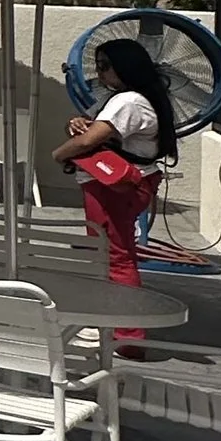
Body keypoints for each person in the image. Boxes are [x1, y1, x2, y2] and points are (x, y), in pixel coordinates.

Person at [52, 34, 177, 296]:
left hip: (115, 187)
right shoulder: (131, 98)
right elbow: (89, 125)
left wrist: (60, 154)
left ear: (126, 65)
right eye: (97, 65)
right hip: (122, 183)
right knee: (110, 254)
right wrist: (73, 123)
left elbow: (88, 140)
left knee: (114, 258)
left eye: (105, 65)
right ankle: (112, 322)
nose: (99, 72)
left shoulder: (128, 101)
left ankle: (124, 330)